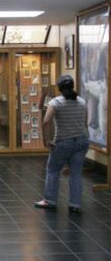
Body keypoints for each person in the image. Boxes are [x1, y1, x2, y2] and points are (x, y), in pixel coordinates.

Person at [35, 75, 88, 213]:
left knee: (53, 170)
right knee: (76, 173)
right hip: (81, 141)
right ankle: (75, 205)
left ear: (59, 88)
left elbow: (46, 121)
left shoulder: (56, 102)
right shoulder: (82, 102)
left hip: (63, 142)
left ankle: (50, 200)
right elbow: (85, 123)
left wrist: (47, 140)